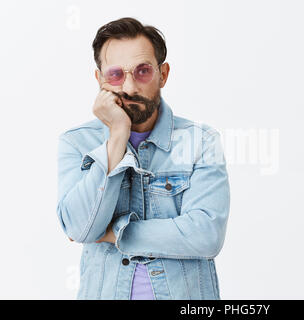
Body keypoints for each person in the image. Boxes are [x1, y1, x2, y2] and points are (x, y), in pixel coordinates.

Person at [56, 17, 230, 300]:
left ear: (163, 74)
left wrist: (117, 232)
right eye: (115, 74)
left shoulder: (201, 142)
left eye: (143, 71)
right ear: (99, 79)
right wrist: (118, 136)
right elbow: (80, 228)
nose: (130, 87)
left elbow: (206, 235)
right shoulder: (76, 142)